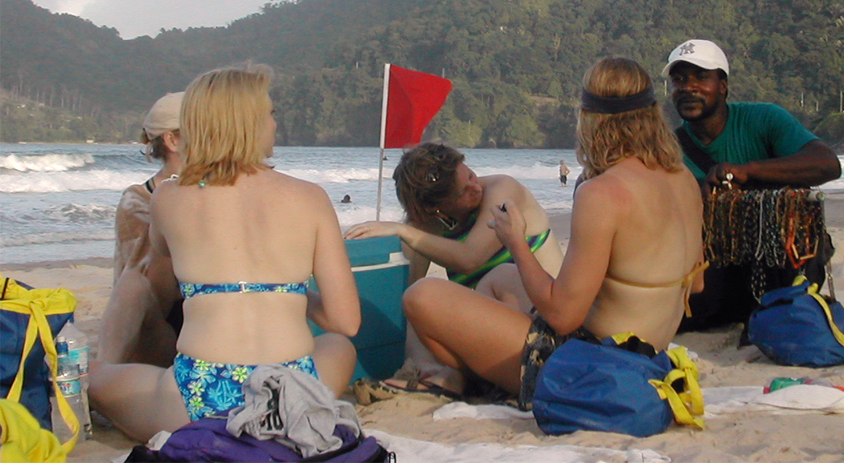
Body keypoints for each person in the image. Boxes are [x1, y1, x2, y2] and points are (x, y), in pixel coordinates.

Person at [402, 57, 705, 410]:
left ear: (590, 119)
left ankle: (468, 374)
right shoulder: (682, 179)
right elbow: (695, 285)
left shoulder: (602, 192)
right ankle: (474, 369)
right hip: (649, 351)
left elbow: (563, 316)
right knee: (500, 277)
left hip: (592, 365)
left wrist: (516, 243)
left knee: (422, 296)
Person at [89, 65, 361, 442]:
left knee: (98, 378)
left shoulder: (167, 197)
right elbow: (345, 321)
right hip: (289, 392)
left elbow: (160, 266)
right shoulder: (310, 197)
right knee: (338, 345)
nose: (274, 124)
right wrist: (286, 291)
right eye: (269, 114)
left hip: (198, 395)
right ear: (247, 122)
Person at [343, 142, 564, 394]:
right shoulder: (428, 223)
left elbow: (470, 258)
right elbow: (408, 292)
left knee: (493, 277)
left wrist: (404, 231)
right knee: (414, 298)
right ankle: (427, 371)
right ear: (435, 208)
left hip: (543, 327)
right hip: (495, 332)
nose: (475, 186)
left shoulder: (502, 190)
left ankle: (451, 375)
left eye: (470, 175)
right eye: (463, 191)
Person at [663, 39, 842, 330]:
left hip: (780, 262)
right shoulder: (668, 148)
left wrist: (748, 172)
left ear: (723, 86)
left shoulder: (764, 119)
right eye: (679, 80)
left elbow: (827, 164)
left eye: (701, 77)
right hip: (715, 270)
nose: (688, 87)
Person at [99, 92, 185, 367]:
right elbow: (151, 295)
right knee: (134, 284)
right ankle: (104, 381)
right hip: (167, 333)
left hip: (217, 330)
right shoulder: (137, 201)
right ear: (172, 140)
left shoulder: (224, 189)